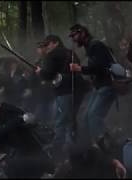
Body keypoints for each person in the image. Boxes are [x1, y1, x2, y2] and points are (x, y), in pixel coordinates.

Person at [35, 35, 88, 164]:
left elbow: (48, 74)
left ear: (55, 43)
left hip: (64, 92)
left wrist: (40, 72)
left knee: (62, 122)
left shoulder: (52, 54)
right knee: (71, 120)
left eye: (48, 44)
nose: (46, 47)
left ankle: (61, 154)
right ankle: (77, 151)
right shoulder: (71, 53)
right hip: (78, 91)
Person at [69, 24, 117, 143]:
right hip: (99, 86)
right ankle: (92, 146)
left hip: (107, 85)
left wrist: (80, 69)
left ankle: (107, 145)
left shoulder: (95, 45)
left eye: (74, 35)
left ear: (83, 33)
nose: (73, 39)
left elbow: (99, 67)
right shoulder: (89, 46)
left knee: (94, 116)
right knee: (85, 117)